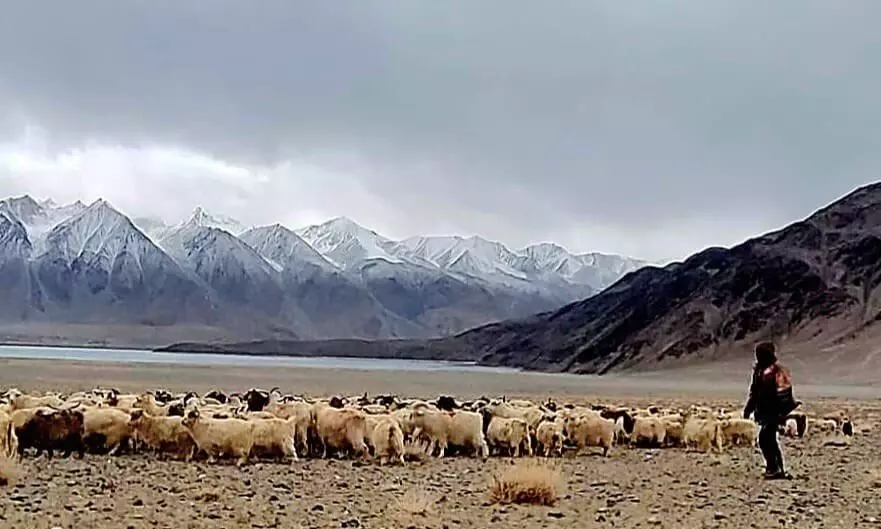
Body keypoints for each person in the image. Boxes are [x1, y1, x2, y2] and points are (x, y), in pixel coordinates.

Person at [743, 341, 800, 479]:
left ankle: (776, 468)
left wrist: (781, 413)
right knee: (766, 440)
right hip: (763, 410)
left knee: (766, 439)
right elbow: (754, 392)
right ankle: (773, 467)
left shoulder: (777, 371)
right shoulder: (759, 371)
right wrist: (748, 408)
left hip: (774, 411)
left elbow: (784, 393)